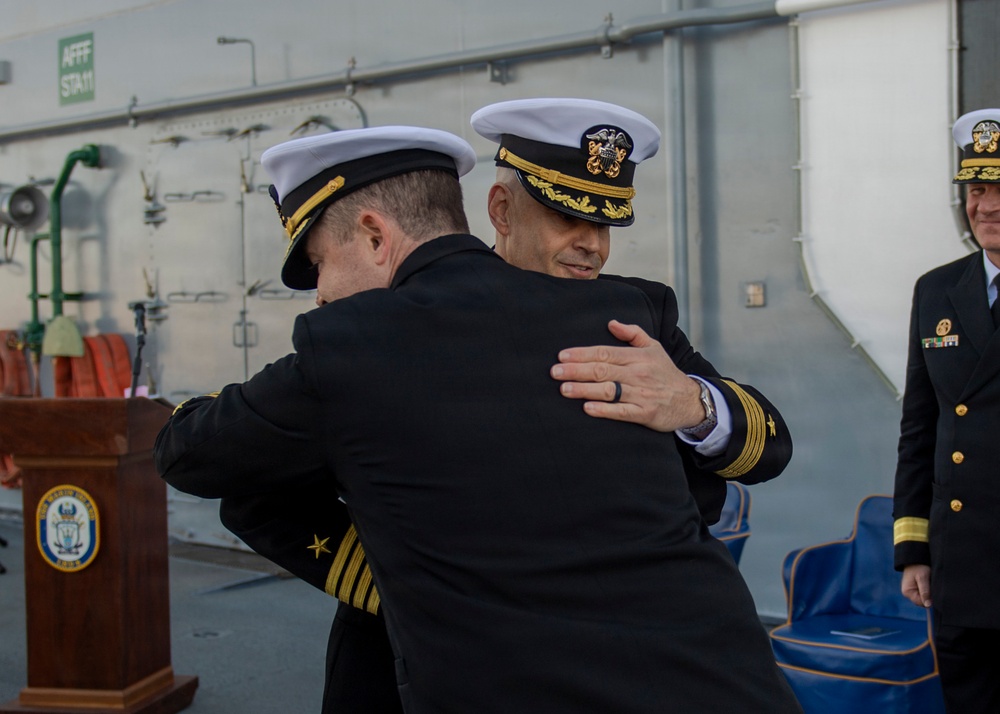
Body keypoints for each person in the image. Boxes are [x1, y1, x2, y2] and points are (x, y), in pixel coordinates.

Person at [156, 124, 801, 713]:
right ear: (498, 212)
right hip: (463, 658)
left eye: (609, 225)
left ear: (376, 237)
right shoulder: (368, 342)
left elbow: (763, 448)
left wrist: (692, 403)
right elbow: (245, 482)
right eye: (565, 216)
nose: (593, 245)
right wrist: (406, 576)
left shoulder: (633, 316)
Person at [893, 107, 1000, 714]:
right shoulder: (937, 290)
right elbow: (921, 426)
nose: (987, 204)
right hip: (962, 564)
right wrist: (914, 548)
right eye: (977, 188)